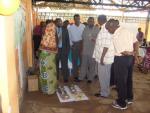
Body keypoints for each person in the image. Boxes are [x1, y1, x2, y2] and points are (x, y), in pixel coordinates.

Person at [105, 19, 138, 110]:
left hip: (121, 59)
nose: (108, 30)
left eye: (108, 28)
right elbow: (136, 42)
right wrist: (134, 53)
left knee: (120, 81)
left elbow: (123, 52)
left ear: (112, 26)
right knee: (128, 79)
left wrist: (130, 53)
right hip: (130, 60)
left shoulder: (116, 35)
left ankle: (121, 103)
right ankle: (129, 98)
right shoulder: (126, 30)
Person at [93, 16, 114, 98]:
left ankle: (104, 93)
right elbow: (102, 42)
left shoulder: (106, 29)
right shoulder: (104, 28)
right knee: (106, 75)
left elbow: (106, 45)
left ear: (99, 20)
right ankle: (105, 90)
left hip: (104, 58)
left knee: (102, 76)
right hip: (105, 57)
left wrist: (102, 58)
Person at [39, 21, 58, 95]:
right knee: (51, 73)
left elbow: (42, 49)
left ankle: (46, 90)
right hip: (49, 59)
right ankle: (51, 89)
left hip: (45, 58)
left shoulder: (46, 37)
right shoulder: (52, 37)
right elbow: (54, 50)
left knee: (45, 73)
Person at [78, 17, 99, 83]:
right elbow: (83, 39)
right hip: (85, 50)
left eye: (92, 21)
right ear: (87, 21)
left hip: (93, 51)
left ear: (94, 22)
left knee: (92, 65)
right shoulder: (85, 28)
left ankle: (90, 78)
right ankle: (81, 77)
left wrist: (93, 39)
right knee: (83, 65)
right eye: (89, 21)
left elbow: (99, 41)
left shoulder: (97, 29)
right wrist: (81, 49)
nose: (90, 22)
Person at [68, 14, 85, 82]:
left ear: (79, 19)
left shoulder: (83, 26)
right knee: (74, 61)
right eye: (76, 19)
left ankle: (81, 75)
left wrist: (83, 45)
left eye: (78, 18)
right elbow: (69, 37)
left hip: (81, 44)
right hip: (74, 45)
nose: (77, 20)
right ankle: (75, 75)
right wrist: (71, 45)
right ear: (74, 19)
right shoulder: (70, 27)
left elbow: (85, 37)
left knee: (82, 61)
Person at [55, 18, 70, 83]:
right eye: (58, 22)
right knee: (55, 64)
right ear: (56, 23)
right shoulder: (52, 30)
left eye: (60, 22)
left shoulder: (65, 30)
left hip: (63, 50)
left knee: (64, 65)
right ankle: (56, 77)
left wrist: (67, 51)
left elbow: (67, 41)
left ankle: (65, 77)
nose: (60, 23)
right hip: (55, 50)